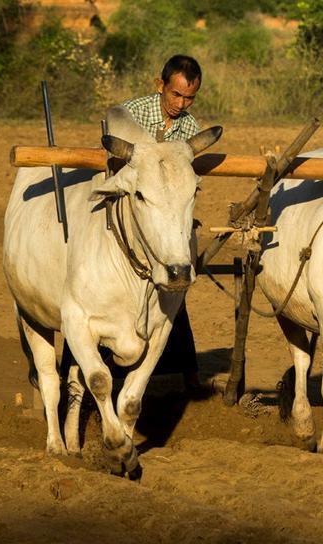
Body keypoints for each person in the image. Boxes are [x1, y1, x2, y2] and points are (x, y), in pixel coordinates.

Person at [119, 54, 208, 396]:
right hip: (130, 212)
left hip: (169, 218)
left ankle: (186, 370)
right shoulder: (131, 114)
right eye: (176, 95)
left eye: (189, 98)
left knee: (177, 285)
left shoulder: (190, 128)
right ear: (161, 86)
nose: (181, 104)